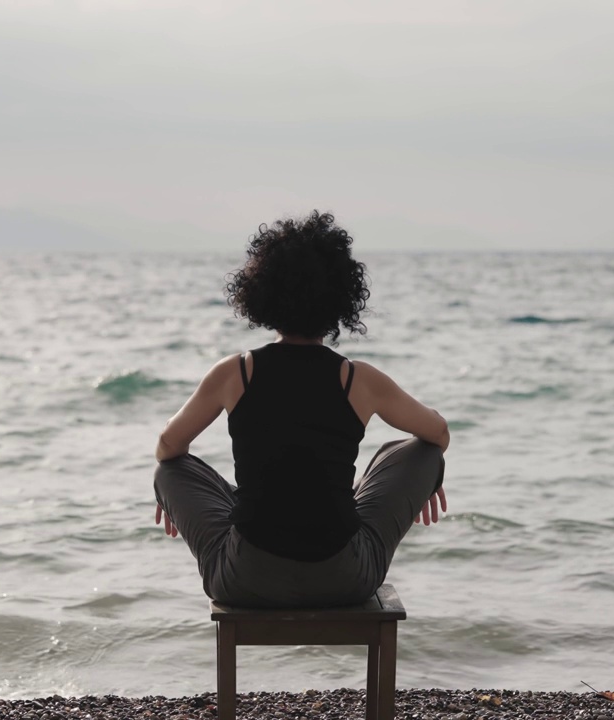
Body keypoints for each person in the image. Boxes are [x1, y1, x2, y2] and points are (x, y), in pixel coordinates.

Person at [152, 210, 449, 608]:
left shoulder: (235, 372)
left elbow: (167, 447)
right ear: (341, 299)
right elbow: (438, 434)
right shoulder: (358, 379)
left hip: (243, 580)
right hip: (346, 580)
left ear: (262, 294)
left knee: (169, 470)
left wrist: (173, 497)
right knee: (421, 450)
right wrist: (427, 477)